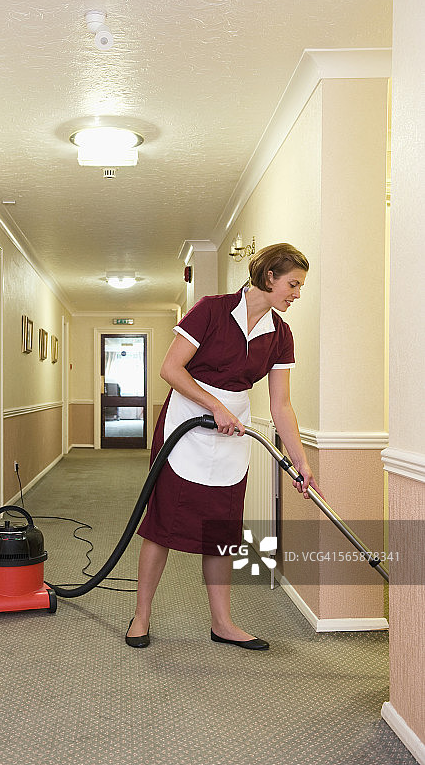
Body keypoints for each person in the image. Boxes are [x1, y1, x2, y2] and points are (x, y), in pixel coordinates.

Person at [125, 243, 322, 651]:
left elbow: (281, 404)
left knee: (223, 529)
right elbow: (170, 368)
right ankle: (141, 616)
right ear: (270, 277)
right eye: (293, 284)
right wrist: (213, 406)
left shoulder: (280, 335)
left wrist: (300, 462)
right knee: (162, 524)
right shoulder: (211, 310)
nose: (297, 294)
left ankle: (223, 623)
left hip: (234, 431)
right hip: (186, 423)